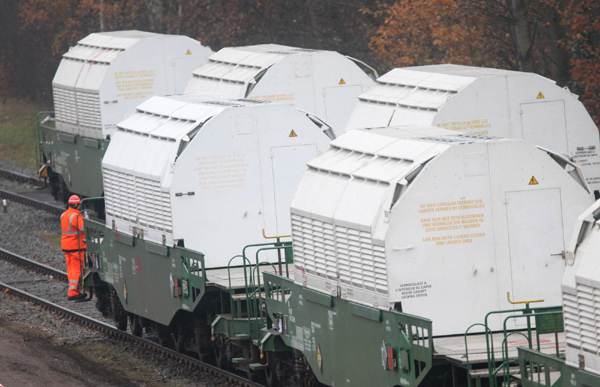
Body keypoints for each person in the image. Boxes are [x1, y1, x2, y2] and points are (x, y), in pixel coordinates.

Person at [60, 195, 87, 301]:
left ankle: (74, 291)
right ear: (76, 205)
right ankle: (72, 292)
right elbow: (83, 228)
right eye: (79, 204)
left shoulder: (64, 214)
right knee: (76, 269)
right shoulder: (76, 216)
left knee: (71, 269)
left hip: (66, 246)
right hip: (76, 247)